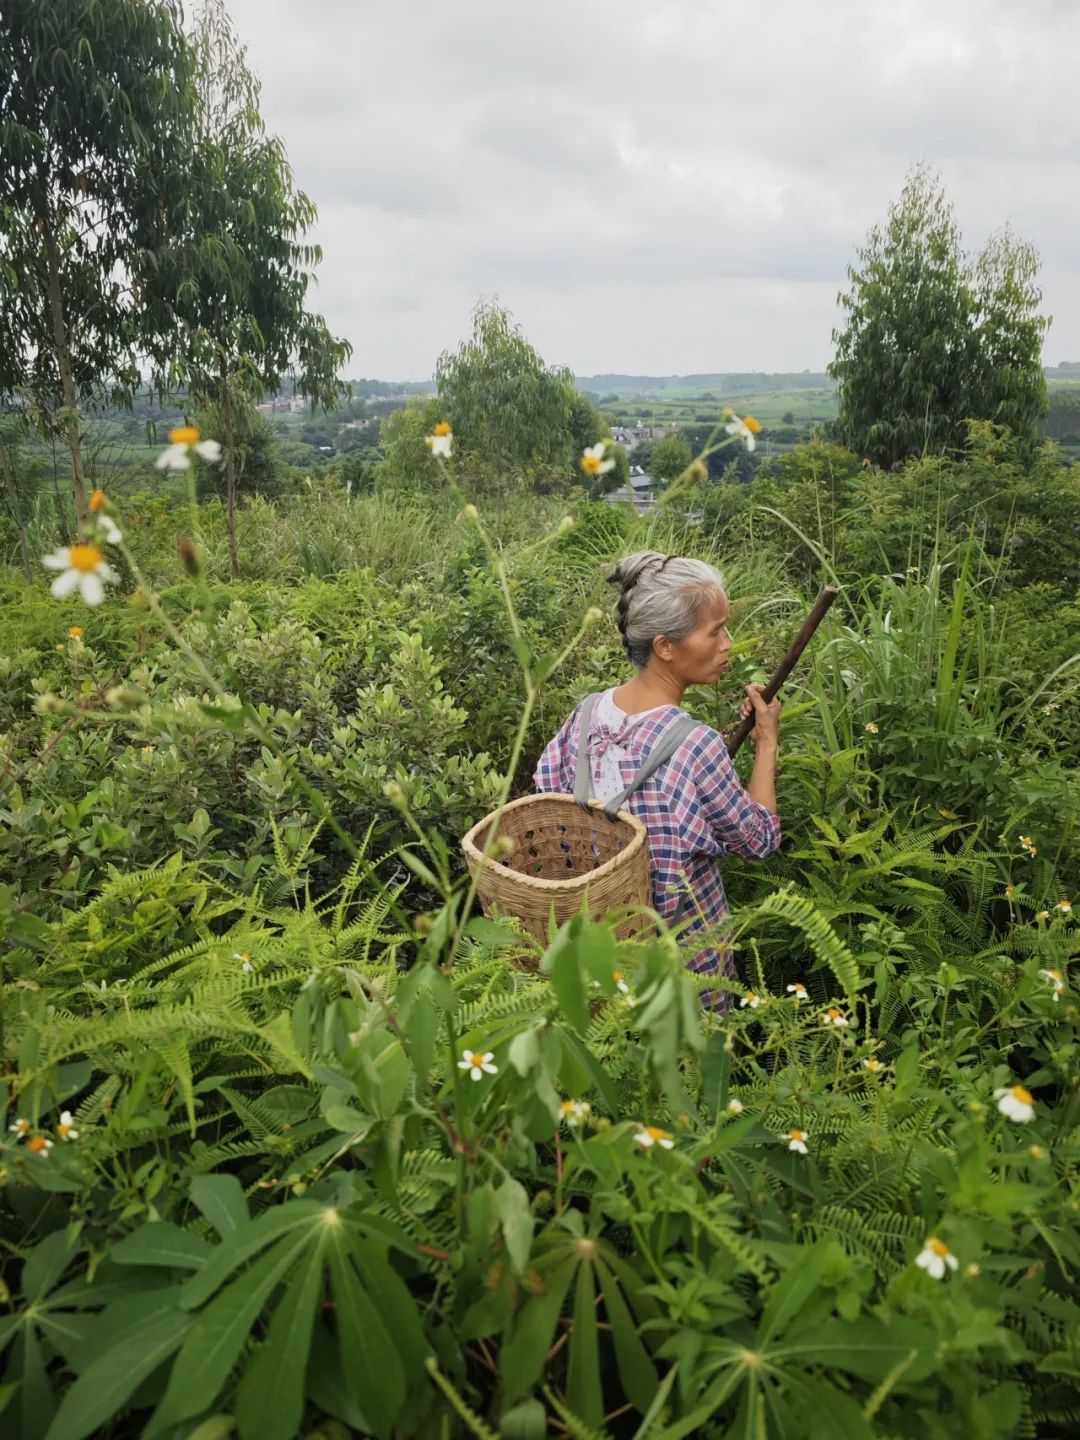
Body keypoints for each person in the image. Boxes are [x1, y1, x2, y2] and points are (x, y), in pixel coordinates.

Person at [534, 550, 782, 1008]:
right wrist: (766, 743)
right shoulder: (695, 745)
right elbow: (759, 841)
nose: (727, 644)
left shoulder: (585, 717)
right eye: (715, 631)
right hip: (684, 969)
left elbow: (548, 809)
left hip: (601, 960)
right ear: (665, 646)